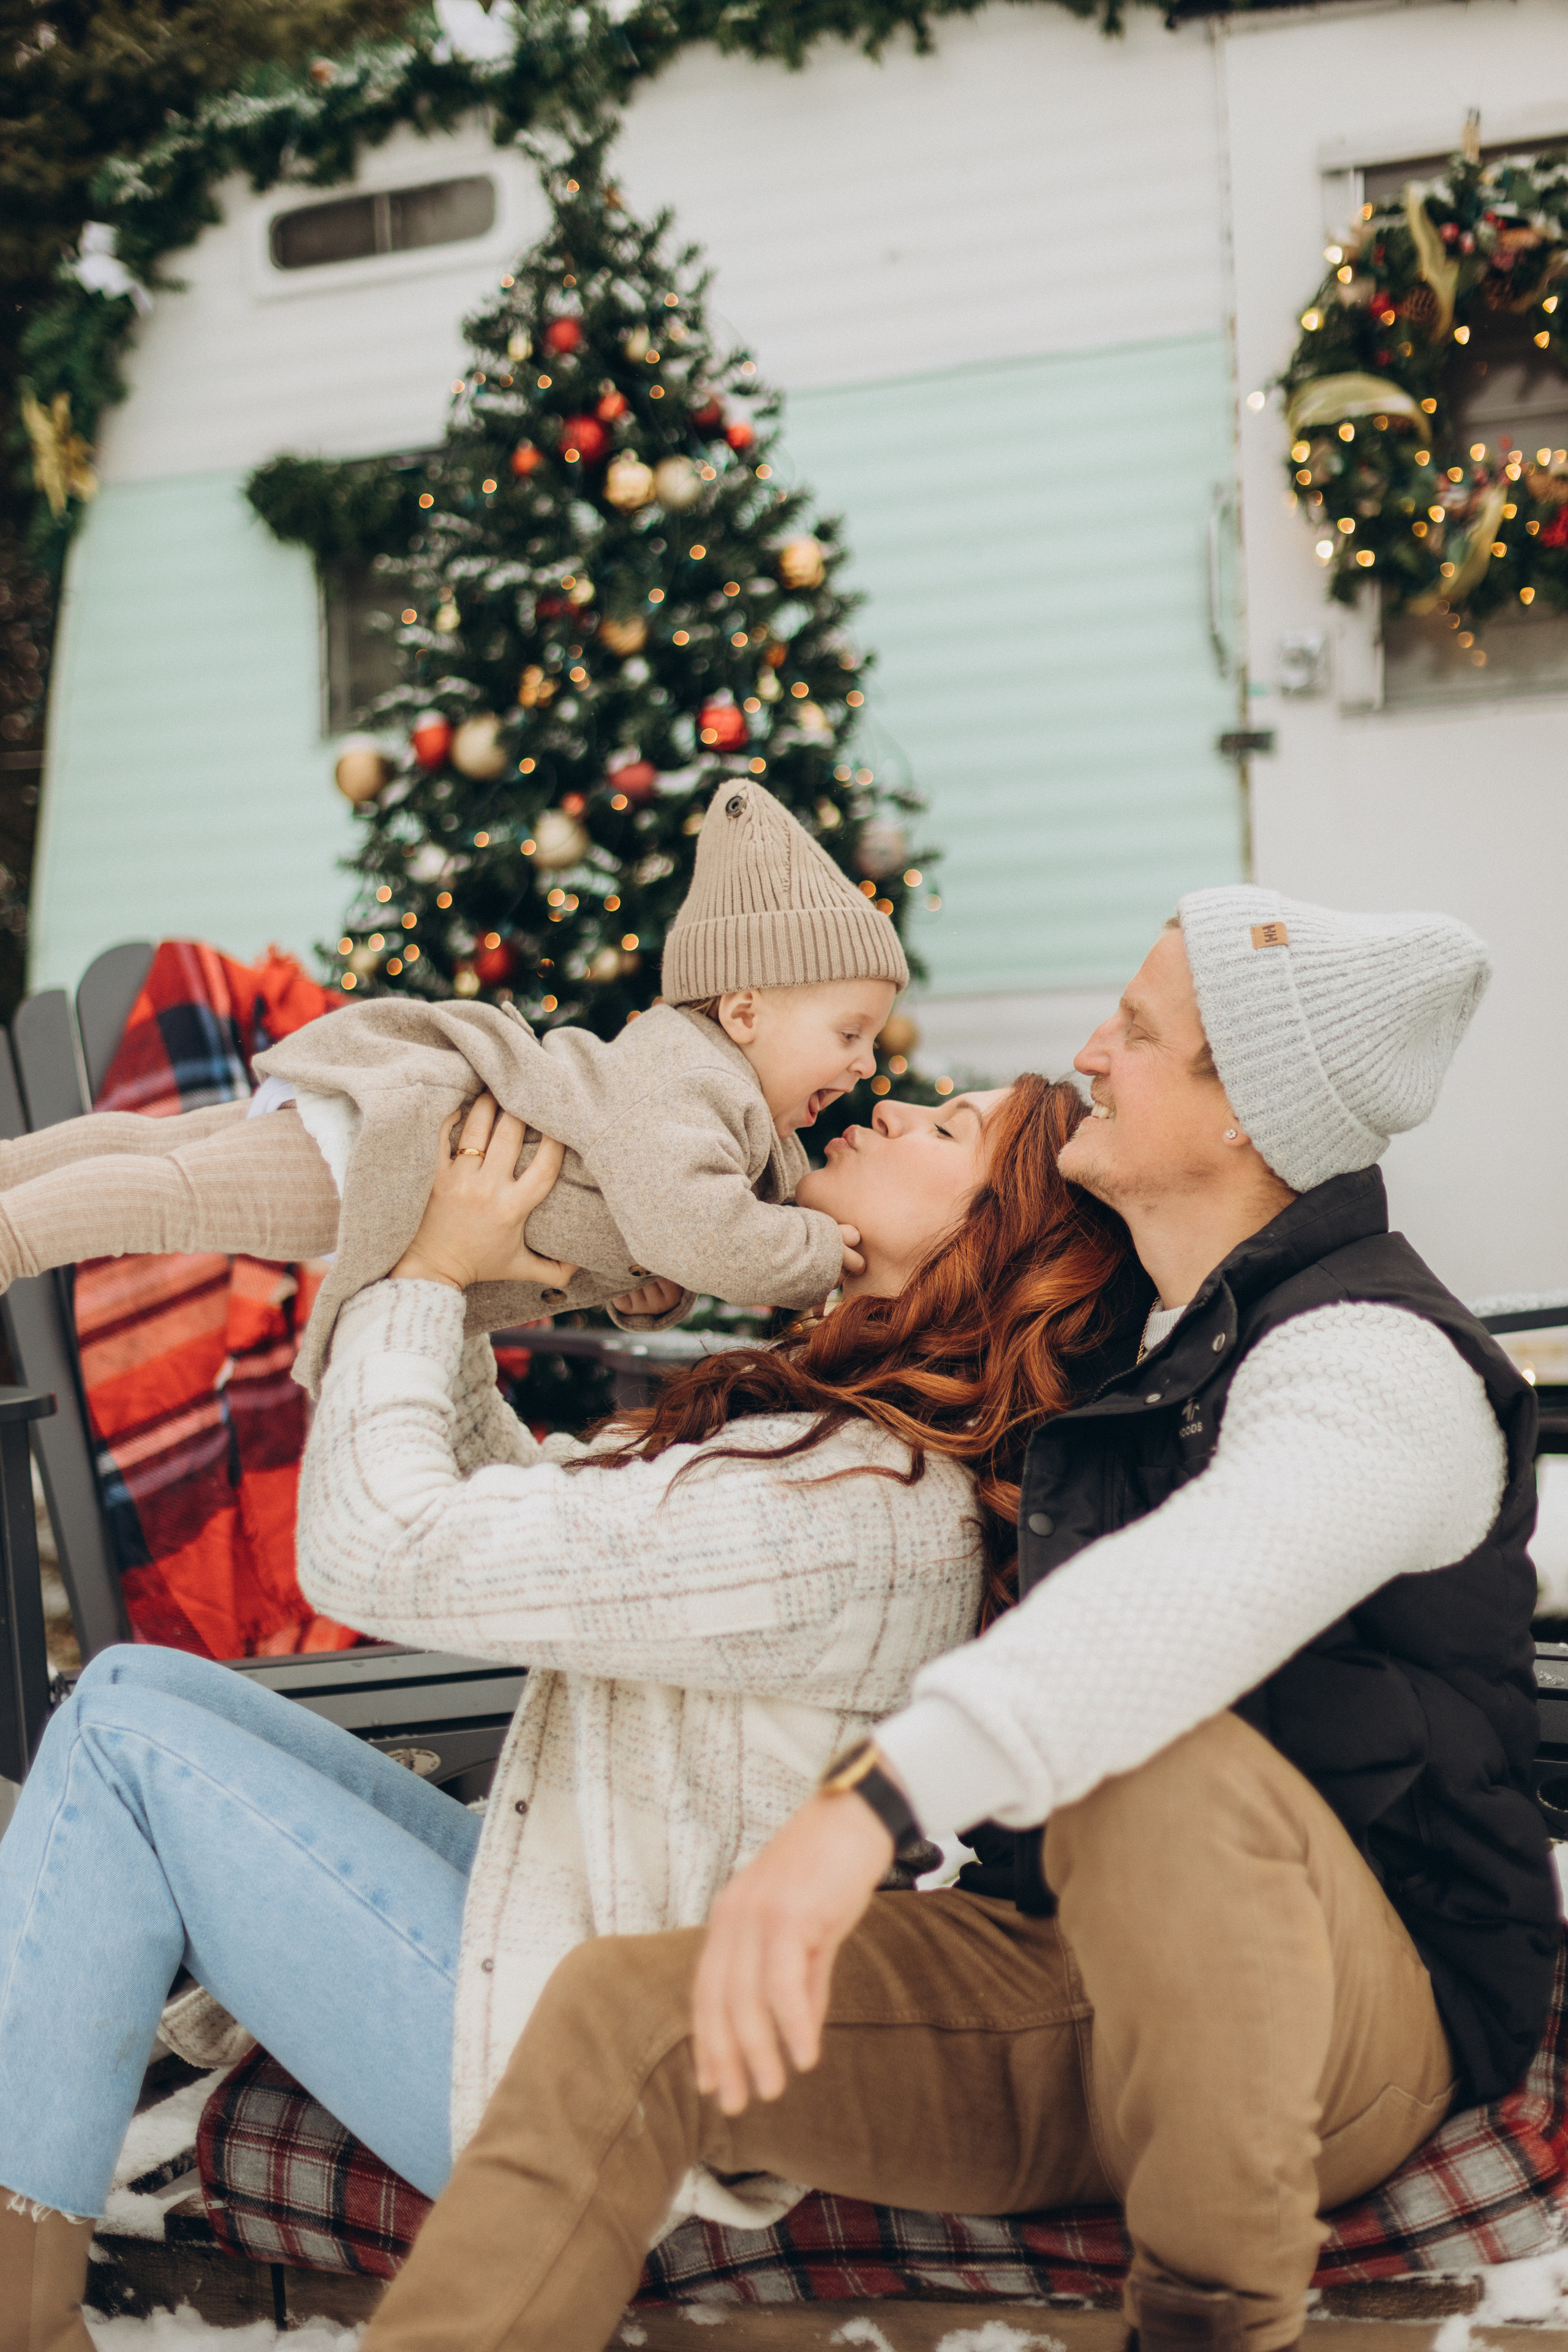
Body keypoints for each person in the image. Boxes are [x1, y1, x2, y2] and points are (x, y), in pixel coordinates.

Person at [354, 886, 1560, 2352]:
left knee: (1155, 1756)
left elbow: (1180, 1604)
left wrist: (866, 1809)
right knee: (626, 2006)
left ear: (1244, 1109)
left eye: (1135, 1031)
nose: (1090, 1055)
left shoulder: (1376, 1365)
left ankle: (1206, 2325)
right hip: (1063, 1978)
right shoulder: (1130, 1344)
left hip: (1351, 2016)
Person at [0, 1069, 1134, 2352]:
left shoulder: (859, 1508)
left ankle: (20, 2321)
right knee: (136, 1691)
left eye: (948, 1132)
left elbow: (374, 1550)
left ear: (988, 1252)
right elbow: (538, 1514)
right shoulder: (841, 1448)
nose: (893, 1107)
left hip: (560, 2088)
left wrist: (422, 1278)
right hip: (557, 1920)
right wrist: (479, 1285)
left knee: (118, 1745)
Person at [0, 780, 908, 1392]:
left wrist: (645, 1286)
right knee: (174, 1195)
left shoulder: (711, 1098)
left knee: (163, 1149)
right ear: (745, 1012)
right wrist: (821, 1252)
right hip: (403, 1153)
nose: (866, 1063)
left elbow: (650, 1218)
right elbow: (698, 1226)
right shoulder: (699, 1078)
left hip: (400, 1123)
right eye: (848, 1033)